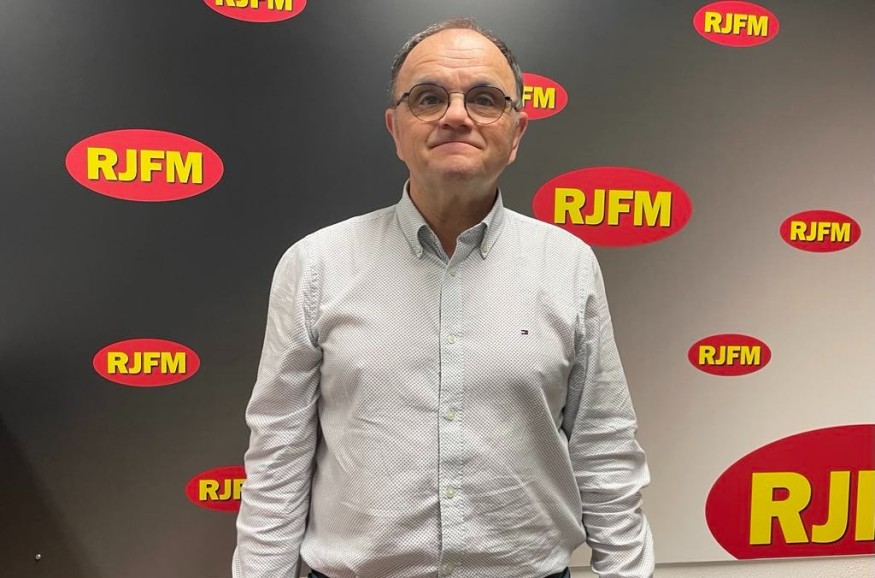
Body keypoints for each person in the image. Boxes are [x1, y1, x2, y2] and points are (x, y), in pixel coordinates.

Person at [233, 17, 654, 578]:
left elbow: (603, 445)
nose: (456, 116)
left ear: (516, 133)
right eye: (429, 98)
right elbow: (278, 458)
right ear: (395, 128)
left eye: (484, 99)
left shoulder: (567, 264)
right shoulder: (316, 265)